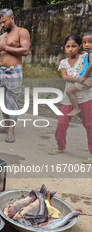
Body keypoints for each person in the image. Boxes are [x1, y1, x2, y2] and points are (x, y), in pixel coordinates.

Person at [48, 35, 92, 164]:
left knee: (89, 125)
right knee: (61, 124)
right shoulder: (63, 62)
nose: (70, 49)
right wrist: (80, 79)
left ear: (79, 46)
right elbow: (65, 77)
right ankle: (60, 146)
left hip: (85, 97)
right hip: (69, 98)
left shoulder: (85, 57)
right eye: (68, 46)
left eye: (73, 46)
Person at [0, 8, 30, 143]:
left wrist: (5, 48)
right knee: (1, 100)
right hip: (1, 71)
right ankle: (6, 125)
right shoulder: (2, 36)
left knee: (11, 101)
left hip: (14, 72)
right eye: (1, 23)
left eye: (4, 22)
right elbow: (1, 55)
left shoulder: (22, 32)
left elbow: (25, 51)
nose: (2, 25)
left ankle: (11, 131)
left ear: (12, 18)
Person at [64, 30, 92, 116]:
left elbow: (91, 65)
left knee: (69, 91)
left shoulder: (91, 53)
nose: (86, 45)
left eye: (90, 42)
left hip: (87, 78)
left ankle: (76, 108)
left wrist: (84, 77)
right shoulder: (88, 53)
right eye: (84, 42)